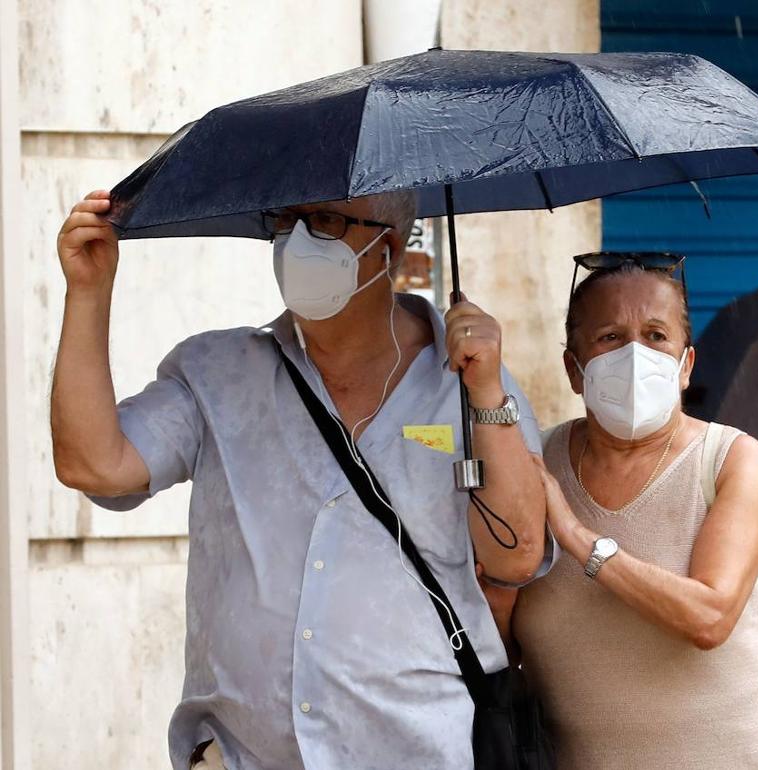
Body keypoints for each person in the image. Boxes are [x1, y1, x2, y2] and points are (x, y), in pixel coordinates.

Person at [51, 190, 553, 769]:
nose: (297, 241)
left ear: (386, 250)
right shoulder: (217, 373)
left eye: (326, 221)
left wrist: (486, 394)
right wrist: (88, 294)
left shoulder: (474, 386)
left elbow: (516, 557)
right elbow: (93, 465)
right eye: (286, 221)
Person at [506, 253, 758, 769]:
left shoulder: (730, 458)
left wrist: (576, 537)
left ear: (686, 366)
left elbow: (709, 617)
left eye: (657, 335)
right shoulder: (535, 463)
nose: (636, 355)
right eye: (610, 338)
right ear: (574, 370)